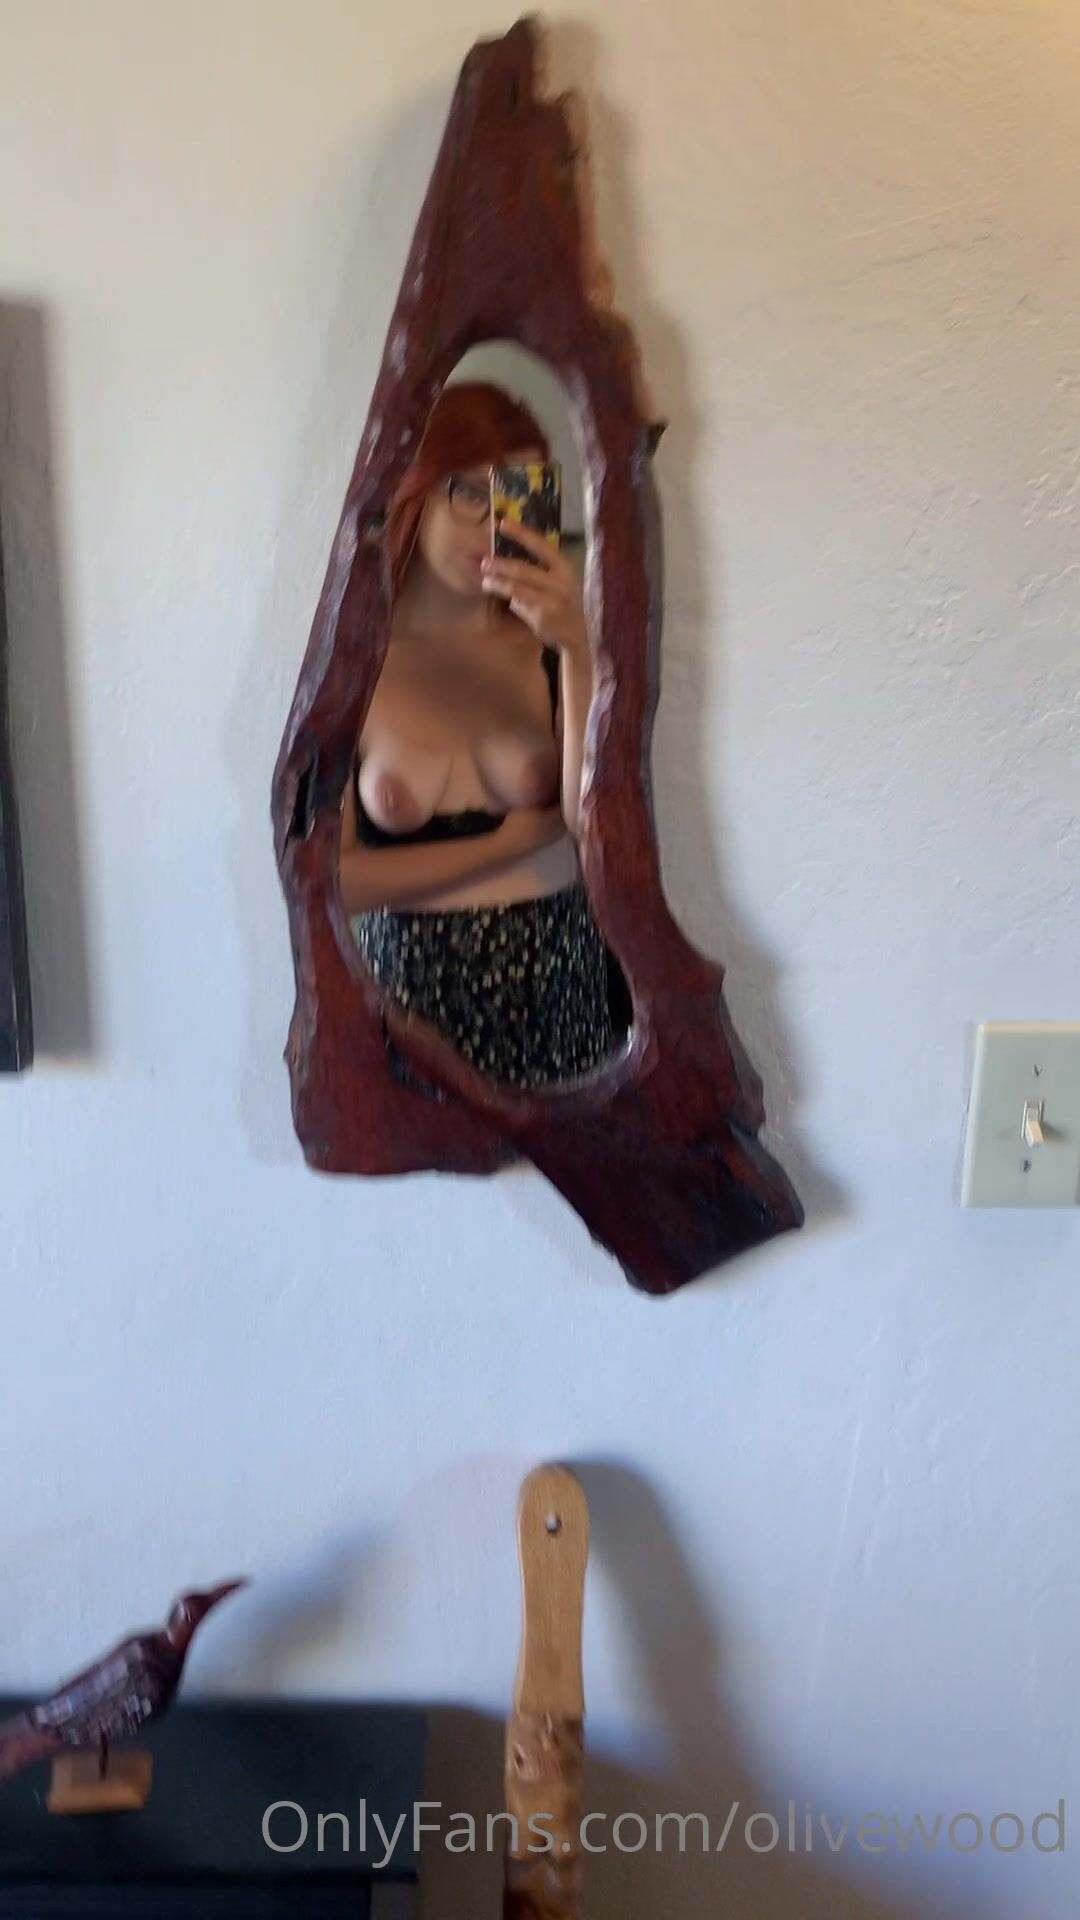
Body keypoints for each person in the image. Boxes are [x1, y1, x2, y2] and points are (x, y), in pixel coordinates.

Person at [339, 380, 621, 1091]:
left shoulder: (548, 649)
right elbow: (333, 882)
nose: (492, 519)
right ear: (416, 490)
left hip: (561, 982)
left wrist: (577, 649)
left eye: (516, 493)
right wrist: (508, 844)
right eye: (467, 491)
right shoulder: (352, 662)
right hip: (410, 998)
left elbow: (594, 826)